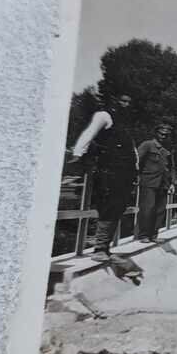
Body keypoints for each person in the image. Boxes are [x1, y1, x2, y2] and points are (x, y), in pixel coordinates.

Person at [70, 94, 137, 264]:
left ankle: (105, 247)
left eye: (129, 102)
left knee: (119, 206)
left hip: (125, 170)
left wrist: (135, 166)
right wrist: (78, 153)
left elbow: (131, 145)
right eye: (123, 101)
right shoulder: (104, 115)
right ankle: (99, 248)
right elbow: (89, 133)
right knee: (108, 205)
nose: (126, 105)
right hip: (109, 168)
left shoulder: (126, 122)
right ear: (114, 100)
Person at [135, 123, 174, 243]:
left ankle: (154, 235)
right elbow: (136, 161)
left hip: (163, 183)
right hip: (149, 182)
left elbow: (171, 167)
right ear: (156, 133)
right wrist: (136, 177)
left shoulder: (168, 149)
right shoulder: (147, 145)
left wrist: (172, 183)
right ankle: (143, 235)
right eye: (161, 134)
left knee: (160, 210)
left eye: (166, 135)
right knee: (148, 208)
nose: (163, 136)